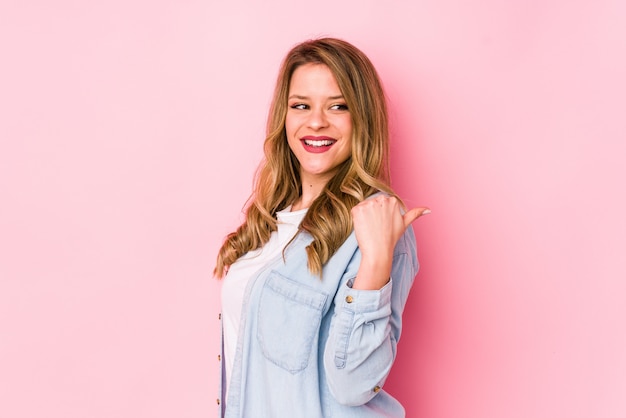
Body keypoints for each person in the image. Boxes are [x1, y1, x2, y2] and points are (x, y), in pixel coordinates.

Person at [214, 37, 429, 417]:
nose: (316, 121)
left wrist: (377, 259)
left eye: (338, 106)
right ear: (285, 115)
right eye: (301, 106)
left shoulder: (377, 224)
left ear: (361, 117)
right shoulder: (270, 218)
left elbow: (354, 384)